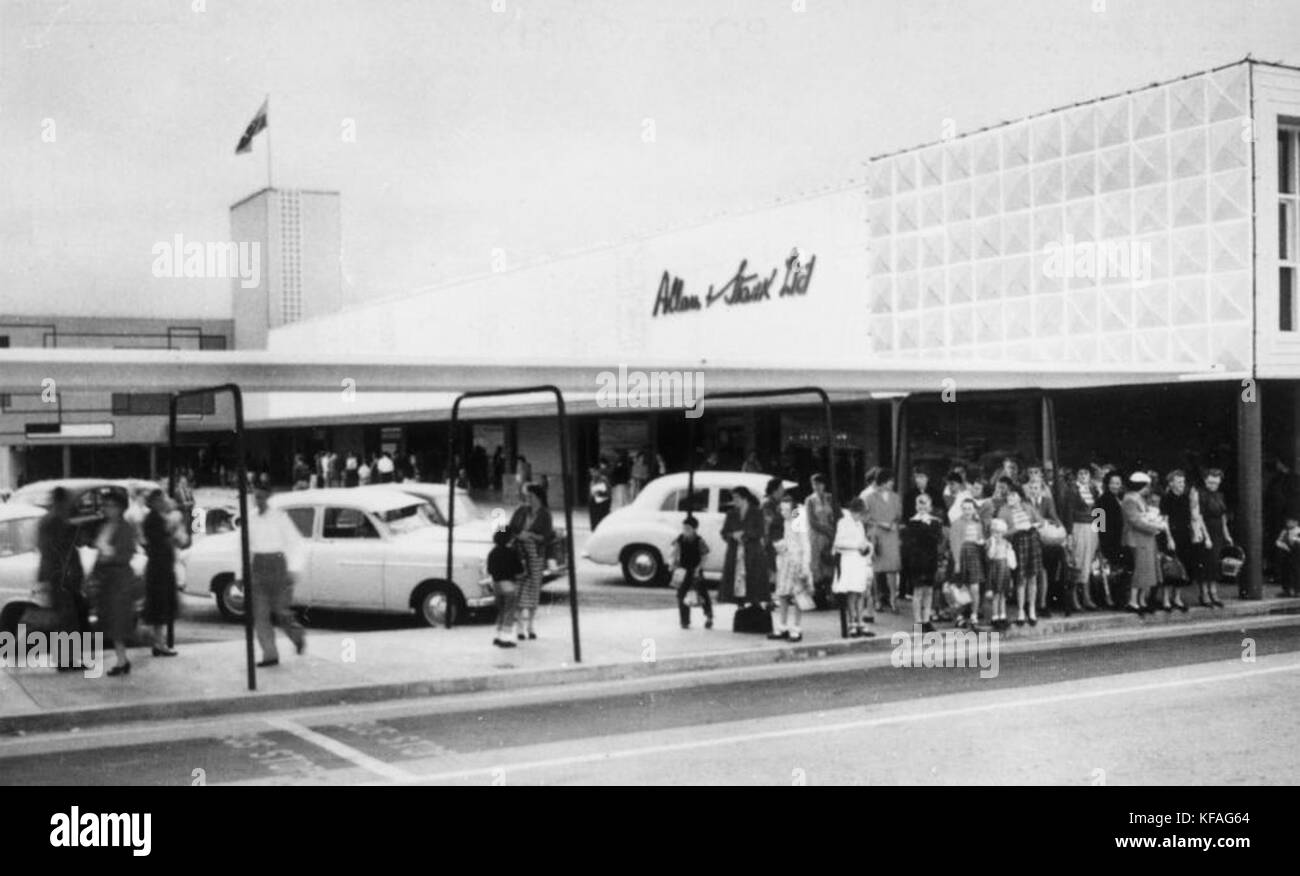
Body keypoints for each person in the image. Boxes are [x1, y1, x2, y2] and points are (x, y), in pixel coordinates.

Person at [248, 483, 307, 666]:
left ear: (268, 498)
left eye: (262, 497)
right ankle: (270, 654)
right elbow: (241, 546)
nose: (258, 501)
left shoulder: (280, 518)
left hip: (278, 565)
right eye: (256, 497)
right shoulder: (250, 518)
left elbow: (296, 543)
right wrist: (240, 574)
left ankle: (297, 636)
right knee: (260, 614)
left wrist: (293, 569)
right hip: (258, 566)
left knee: (281, 612)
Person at [37, 487, 87, 671]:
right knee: (68, 619)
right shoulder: (59, 521)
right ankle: (69, 660)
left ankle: (63, 659)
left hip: (54, 576)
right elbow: (69, 545)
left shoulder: (47, 520)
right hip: (62, 577)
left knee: (64, 620)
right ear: (62, 501)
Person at [93, 491, 138, 676]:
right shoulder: (105, 527)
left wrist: (108, 556)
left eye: (110, 505)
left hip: (119, 580)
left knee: (117, 620)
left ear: (120, 508)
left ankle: (122, 660)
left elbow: (126, 554)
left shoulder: (125, 528)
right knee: (111, 621)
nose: (106, 509)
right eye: (105, 505)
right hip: (107, 580)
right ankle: (122, 659)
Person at [508, 483, 553, 639]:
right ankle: (520, 627)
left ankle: (531, 626)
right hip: (519, 554)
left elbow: (547, 536)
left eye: (531, 497)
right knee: (519, 589)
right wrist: (518, 536)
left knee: (533, 589)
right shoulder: (521, 511)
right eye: (527, 497)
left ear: (539, 498)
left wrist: (532, 536)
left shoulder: (545, 515)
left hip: (535, 555)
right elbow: (509, 529)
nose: (528, 499)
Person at [142, 489, 183, 657]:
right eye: (158, 500)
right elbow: (162, 540)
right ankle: (158, 643)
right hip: (159, 567)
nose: (162, 502)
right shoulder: (154, 520)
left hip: (162, 566)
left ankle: (159, 642)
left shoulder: (158, 518)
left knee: (161, 606)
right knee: (159, 606)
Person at [901, 492, 946, 633]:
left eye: (925, 503)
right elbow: (909, 543)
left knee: (929, 590)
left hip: (930, 559)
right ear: (915, 506)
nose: (922, 507)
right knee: (918, 591)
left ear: (930, 506)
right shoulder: (912, 522)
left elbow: (938, 539)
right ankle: (918, 621)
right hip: (917, 561)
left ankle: (926, 620)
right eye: (919, 504)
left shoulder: (936, 522)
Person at [998, 485, 1041, 626]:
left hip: (1032, 539)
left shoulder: (1027, 507)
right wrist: (1016, 529)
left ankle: (1032, 609)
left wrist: (1033, 525)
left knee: (1033, 577)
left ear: (1019, 497)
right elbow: (1000, 532)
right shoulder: (1003, 511)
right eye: (1008, 496)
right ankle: (1021, 610)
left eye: (1013, 496)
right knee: (1021, 578)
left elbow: (1041, 521)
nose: (1010, 499)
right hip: (1018, 541)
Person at [1060, 466, 1101, 612]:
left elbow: (1098, 510)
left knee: (1088, 562)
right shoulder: (1072, 490)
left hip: (1092, 528)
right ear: (1077, 476)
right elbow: (1069, 512)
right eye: (1081, 473)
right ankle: (1074, 598)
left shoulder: (1094, 490)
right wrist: (1070, 533)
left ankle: (1087, 596)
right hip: (1078, 526)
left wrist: (1100, 530)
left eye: (1086, 473)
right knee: (1077, 561)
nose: (1083, 476)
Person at [833, 497, 876, 638]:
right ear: (854, 511)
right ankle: (851, 622)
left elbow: (862, 541)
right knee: (852, 592)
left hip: (859, 560)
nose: (861, 516)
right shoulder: (843, 522)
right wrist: (855, 545)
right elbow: (838, 543)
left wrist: (867, 546)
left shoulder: (859, 525)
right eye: (860, 513)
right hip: (849, 559)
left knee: (861, 593)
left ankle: (860, 621)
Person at [719, 486, 769, 607]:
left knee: (752, 577)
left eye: (737, 497)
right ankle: (739, 605)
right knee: (736, 578)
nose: (734, 500)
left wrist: (745, 534)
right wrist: (732, 535)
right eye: (733, 498)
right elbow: (724, 532)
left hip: (752, 551)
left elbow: (761, 531)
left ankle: (754, 604)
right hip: (735, 550)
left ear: (745, 498)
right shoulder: (731, 513)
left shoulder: (757, 512)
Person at [769, 494, 809, 641]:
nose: (782, 512)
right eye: (781, 509)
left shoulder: (798, 517)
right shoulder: (787, 521)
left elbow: (804, 543)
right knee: (782, 594)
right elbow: (789, 539)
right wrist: (781, 546)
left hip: (797, 561)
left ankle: (796, 628)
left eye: (786, 509)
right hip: (786, 560)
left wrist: (805, 565)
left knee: (798, 595)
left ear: (792, 509)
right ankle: (783, 626)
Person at [1121, 473, 1162, 614]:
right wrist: (1155, 527)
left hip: (1145, 537)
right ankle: (1133, 601)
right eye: (1147, 486)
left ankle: (1141, 600)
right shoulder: (1130, 499)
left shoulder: (1137, 498)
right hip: (1136, 538)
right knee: (1139, 571)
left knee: (1146, 571)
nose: (1148, 489)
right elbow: (1135, 520)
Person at [865, 469, 902, 612]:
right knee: (877, 569)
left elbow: (899, 514)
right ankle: (877, 599)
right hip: (877, 534)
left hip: (892, 534)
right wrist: (881, 523)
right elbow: (866, 516)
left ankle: (893, 599)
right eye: (890, 480)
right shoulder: (870, 497)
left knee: (892, 569)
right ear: (883, 482)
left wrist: (893, 523)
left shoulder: (895, 497)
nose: (892, 483)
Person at [670, 515, 713, 630]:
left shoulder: (699, 541)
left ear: (694, 529)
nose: (685, 531)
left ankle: (709, 615)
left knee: (702, 593)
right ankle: (684, 621)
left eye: (688, 529)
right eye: (684, 528)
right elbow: (674, 551)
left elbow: (704, 556)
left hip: (695, 570)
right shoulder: (680, 539)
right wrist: (672, 563)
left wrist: (699, 568)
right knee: (681, 595)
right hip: (682, 570)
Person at [1162, 471, 1197, 613]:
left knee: (1182, 567)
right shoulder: (1166, 498)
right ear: (1171, 483)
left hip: (1184, 534)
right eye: (1178, 482)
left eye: (1183, 482)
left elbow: (1190, 516)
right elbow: (1165, 520)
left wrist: (1193, 533)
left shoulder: (1185, 498)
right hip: (1172, 534)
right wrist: (1169, 538)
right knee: (1170, 568)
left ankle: (1177, 597)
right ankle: (1165, 598)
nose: (1182, 485)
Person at [803, 473, 838, 607]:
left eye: (819, 484)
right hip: (816, 535)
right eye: (814, 484)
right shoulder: (810, 500)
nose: (817, 487)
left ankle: (831, 595)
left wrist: (832, 531)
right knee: (817, 564)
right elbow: (811, 521)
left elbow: (835, 515)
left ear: (824, 484)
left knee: (829, 562)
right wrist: (827, 530)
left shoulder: (830, 498)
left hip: (830, 535)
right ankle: (819, 596)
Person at [952, 497, 986, 629]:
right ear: (962, 509)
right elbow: (954, 544)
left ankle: (974, 615)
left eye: (969, 508)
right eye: (965, 508)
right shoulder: (956, 523)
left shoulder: (978, 524)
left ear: (974, 510)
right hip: (961, 555)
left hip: (975, 555)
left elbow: (980, 538)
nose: (967, 511)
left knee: (975, 588)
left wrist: (982, 542)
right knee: (961, 589)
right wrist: (956, 562)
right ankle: (959, 616)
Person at [487, 530, 522, 647]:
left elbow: (489, 570)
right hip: (509, 584)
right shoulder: (511, 553)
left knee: (501, 611)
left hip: (496, 584)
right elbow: (519, 570)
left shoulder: (492, 552)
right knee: (509, 612)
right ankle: (505, 639)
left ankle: (497, 636)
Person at [985, 518, 1017, 630]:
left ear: (1003, 532)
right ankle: (995, 617)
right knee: (996, 594)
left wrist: (1010, 551)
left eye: (999, 532)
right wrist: (993, 543)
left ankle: (1002, 616)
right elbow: (990, 556)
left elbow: (1011, 561)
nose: (997, 534)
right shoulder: (990, 542)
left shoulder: (1006, 543)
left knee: (1003, 594)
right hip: (995, 569)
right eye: (994, 532)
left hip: (1004, 569)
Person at [1274, 516, 1300, 597]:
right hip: (1286, 554)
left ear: (1296, 522)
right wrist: (1283, 545)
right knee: (1285, 572)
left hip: (1297, 554)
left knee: (1296, 571)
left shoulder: (1298, 531)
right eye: (1287, 521)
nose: (1288, 523)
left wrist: (1295, 541)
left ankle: (1297, 590)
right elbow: (1278, 541)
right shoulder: (1285, 531)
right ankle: (1287, 590)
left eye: (1290, 521)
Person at [588, 462, 611, 530]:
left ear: (598, 471)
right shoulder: (592, 481)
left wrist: (599, 492)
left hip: (602, 504)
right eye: (591, 472)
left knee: (601, 522)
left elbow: (608, 492)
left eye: (593, 472)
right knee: (595, 523)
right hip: (594, 504)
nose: (592, 474)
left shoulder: (604, 479)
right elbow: (591, 494)